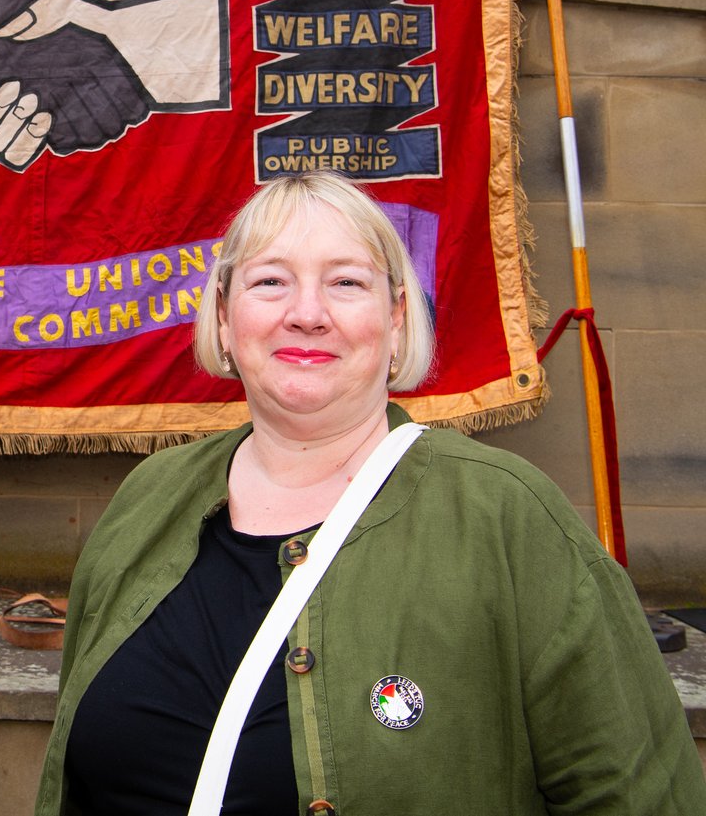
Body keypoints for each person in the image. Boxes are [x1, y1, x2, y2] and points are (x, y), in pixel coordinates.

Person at [34, 171, 705, 815]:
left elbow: (637, 794)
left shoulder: (508, 519)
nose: (306, 313)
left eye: (346, 282)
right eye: (271, 281)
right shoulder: (148, 499)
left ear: (396, 319)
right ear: (224, 316)